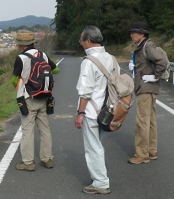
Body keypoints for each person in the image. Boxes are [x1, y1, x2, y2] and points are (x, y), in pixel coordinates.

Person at [11, 29, 59, 171]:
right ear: (33, 43)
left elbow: (14, 80)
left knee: (27, 129)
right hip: (44, 97)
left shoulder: (21, 58)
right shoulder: (42, 55)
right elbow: (55, 70)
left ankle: (28, 162)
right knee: (44, 128)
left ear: (21, 45)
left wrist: (20, 85)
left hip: (29, 98)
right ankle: (47, 158)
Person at [74, 26, 113, 194]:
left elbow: (85, 91)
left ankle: (100, 182)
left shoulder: (89, 62)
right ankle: (100, 177)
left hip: (91, 111)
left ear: (88, 41)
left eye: (82, 40)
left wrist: (80, 113)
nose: (81, 44)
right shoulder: (110, 58)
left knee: (93, 148)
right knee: (98, 145)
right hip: (108, 109)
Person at [128, 22, 167, 164]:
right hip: (149, 88)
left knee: (141, 122)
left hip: (145, 88)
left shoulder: (147, 46)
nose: (132, 35)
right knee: (150, 121)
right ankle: (151, 151)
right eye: (132, 32)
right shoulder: (144, 46)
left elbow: (162, 61)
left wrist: (155, 75)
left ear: (142, 34)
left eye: (135, 32)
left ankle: (141, 154)